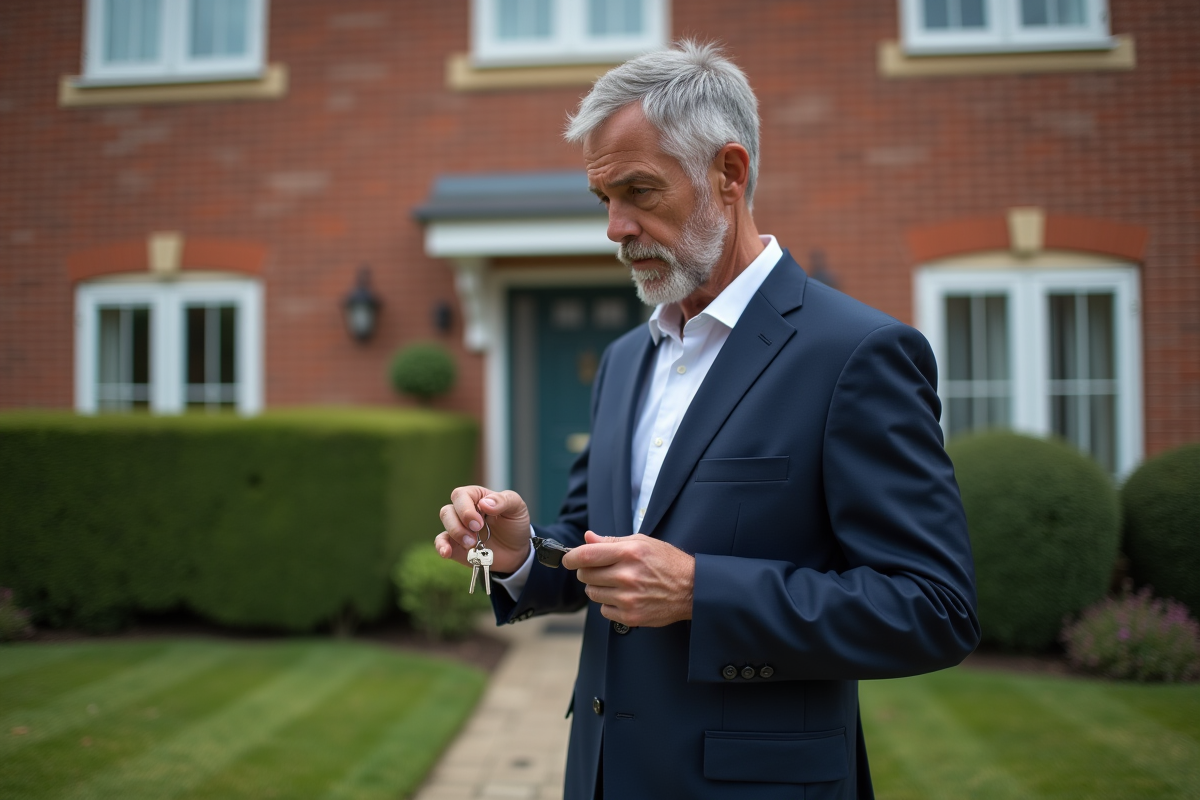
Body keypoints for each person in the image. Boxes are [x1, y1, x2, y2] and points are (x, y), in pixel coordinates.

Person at [435, 40, 979, 800]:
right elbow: (601, 542)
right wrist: (522, 551)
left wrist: (702, 591)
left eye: (639, 191)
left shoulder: (857, 354)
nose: (615, 227)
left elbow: (935, 609)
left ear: (729, 173)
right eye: (603, 199)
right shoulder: (626, 358)